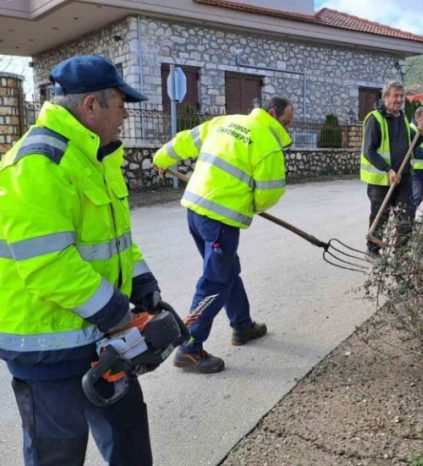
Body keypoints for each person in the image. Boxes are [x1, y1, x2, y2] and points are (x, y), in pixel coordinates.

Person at [0, 55, 167, 465]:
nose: (126, 114)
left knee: (129, 441)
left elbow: (117, 241)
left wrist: (144, 287)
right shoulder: (39, 163)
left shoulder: (96, 156)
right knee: (56, 456)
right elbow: (49, 264)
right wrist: (118, 314)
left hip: (102, 337)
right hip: (47, 350)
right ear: (91, 105)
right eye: (120, 103)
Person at [153, 96, 294, 374]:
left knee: (227, 270)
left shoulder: (227, 122)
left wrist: (161, 158)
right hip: (220, 221)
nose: (288, 130)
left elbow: (184, 140)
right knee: (215, 280)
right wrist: (252, 205)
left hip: (195, 210)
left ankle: (242, 325)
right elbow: (269, 192)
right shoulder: (267, 144)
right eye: (287, 123)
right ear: (273, 114)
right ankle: (189, 348)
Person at [360, 81, 423, 255]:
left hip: (403, 178)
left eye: (401, 96)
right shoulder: (375, 119)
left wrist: (420, 134)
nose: (399, 99)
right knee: (381, 216)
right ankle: (373, 250)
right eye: (395, 95)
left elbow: (411, 143)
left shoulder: (402, 118)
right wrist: (388, 170)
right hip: (382, 179)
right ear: (386, 97)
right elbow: (368, 151)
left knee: (407, 216)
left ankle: (401, 254)